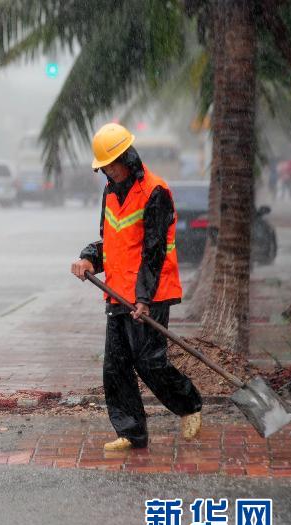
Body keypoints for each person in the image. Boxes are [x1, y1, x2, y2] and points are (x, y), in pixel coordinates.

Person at [70, 123, 202, 451]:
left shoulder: (155, 192)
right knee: (115, 366)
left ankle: (189, 406)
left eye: (110, 165)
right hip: (117, 292)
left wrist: (143, 297)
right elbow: (113, 243)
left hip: (152, 292)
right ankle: (131, 432)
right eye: (103, 168)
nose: (106, 172)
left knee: (149, 362)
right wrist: (89, 259)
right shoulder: (110, 192)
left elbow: (153, 251)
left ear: (127, 159)